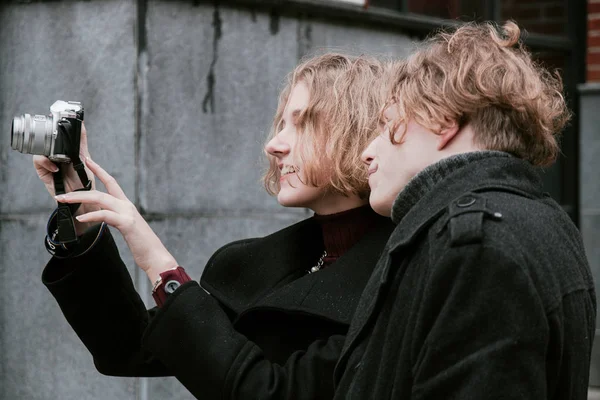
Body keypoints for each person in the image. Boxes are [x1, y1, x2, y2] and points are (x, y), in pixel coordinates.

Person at [35, 53, 395, 399]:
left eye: (304, 124)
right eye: (282, 124)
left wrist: (161, 267)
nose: (274, 145)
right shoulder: (276, 261)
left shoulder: (400, 272)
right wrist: (79, 210)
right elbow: (128, 347)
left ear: (359, 134)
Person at [332, 22, 596, 399]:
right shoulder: (538, 222)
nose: (367, 152)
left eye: (388, 124)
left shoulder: (476, 246)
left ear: (442, 120)